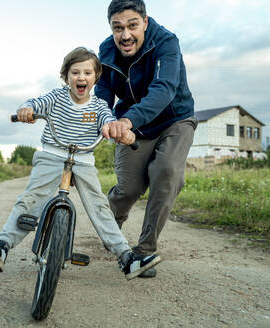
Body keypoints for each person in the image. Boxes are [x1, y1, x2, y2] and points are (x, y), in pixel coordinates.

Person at [0, 47, 161, 280]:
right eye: (75, 72)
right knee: (31, 198)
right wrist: (27, 110)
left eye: (87, 73)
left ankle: (126, 257)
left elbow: (108, 122)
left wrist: (114, 130)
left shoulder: (99, 107)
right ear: (66, 77)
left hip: (83, 159)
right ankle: (3, 245)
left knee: (100, 207)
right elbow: (36, 102)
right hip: (53, 155)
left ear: (96, 77)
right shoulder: (56, 97)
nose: (81, 78)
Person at [95, 0, 198, 278]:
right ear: (111, 28)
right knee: (128, 188)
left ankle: (144, 250)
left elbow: (164, 88)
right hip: (132, 126)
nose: (125, 35)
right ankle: (109, 230)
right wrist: (103, 120)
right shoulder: (105, 50)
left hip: (174, 119)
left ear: (145, 22)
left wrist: (127, 120)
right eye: (118, 28)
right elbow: (103, 92)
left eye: (132, 25)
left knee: (166, 171)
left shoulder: (166, 41)